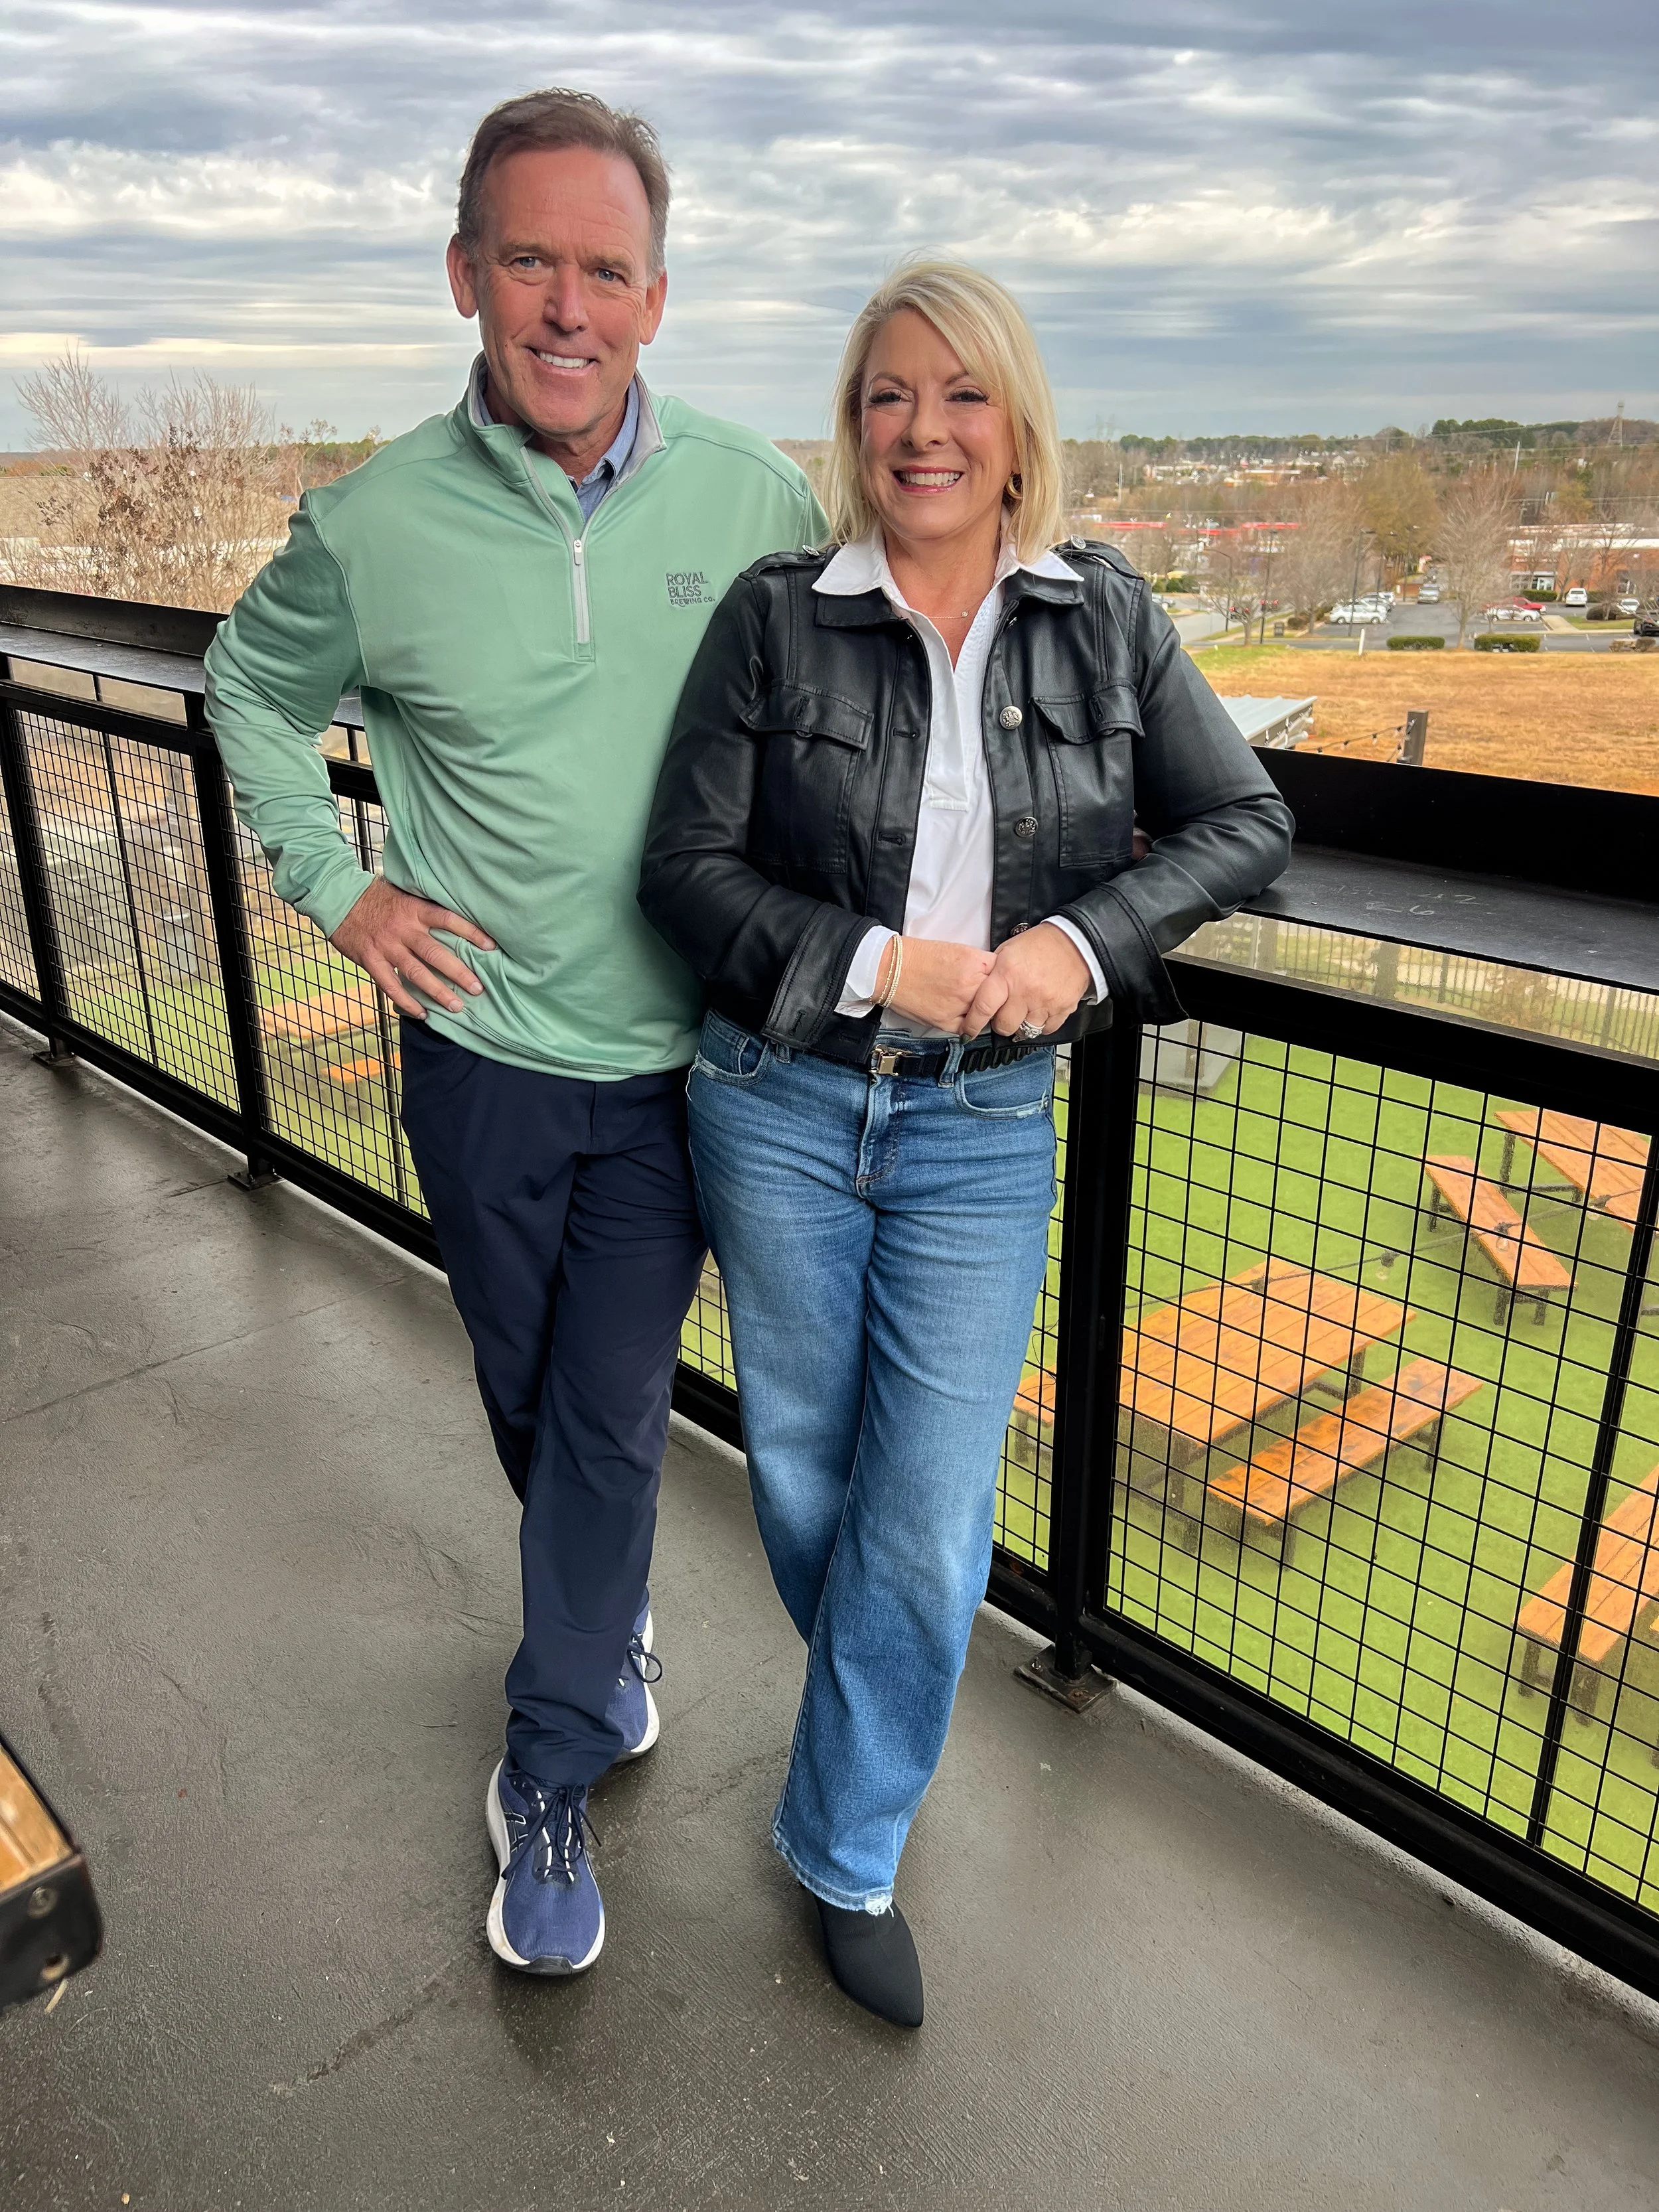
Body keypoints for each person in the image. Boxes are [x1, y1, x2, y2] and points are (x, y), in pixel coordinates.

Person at [204, 88, 826, 1979]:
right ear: (466, 271)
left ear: (657, 294)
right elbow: (242, 687)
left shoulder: (754, 496)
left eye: (606, 267)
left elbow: (839, 720)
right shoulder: (373, 521)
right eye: (531, 258)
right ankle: (600, 1629)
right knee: (531, 1399)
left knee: (612, 1420)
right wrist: (342, 889)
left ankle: (546, 1761)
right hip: (475, 1066)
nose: (568, 302)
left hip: (677, 1077)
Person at [638, 260, 1293, 2027]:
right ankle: (872, 1719)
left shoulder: (1108, 619)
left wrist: (1077, 944)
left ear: (1015, 427)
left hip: (983, 1127)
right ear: (854, 427)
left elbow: (1246, 821)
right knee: (799, 1468)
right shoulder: (780, 617)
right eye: (885, 395)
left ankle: (845, 1840)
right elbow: (683, 875)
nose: (922, 430)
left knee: (924, 1528)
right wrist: (876, 960)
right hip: (776, 1099)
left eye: (960, 395)